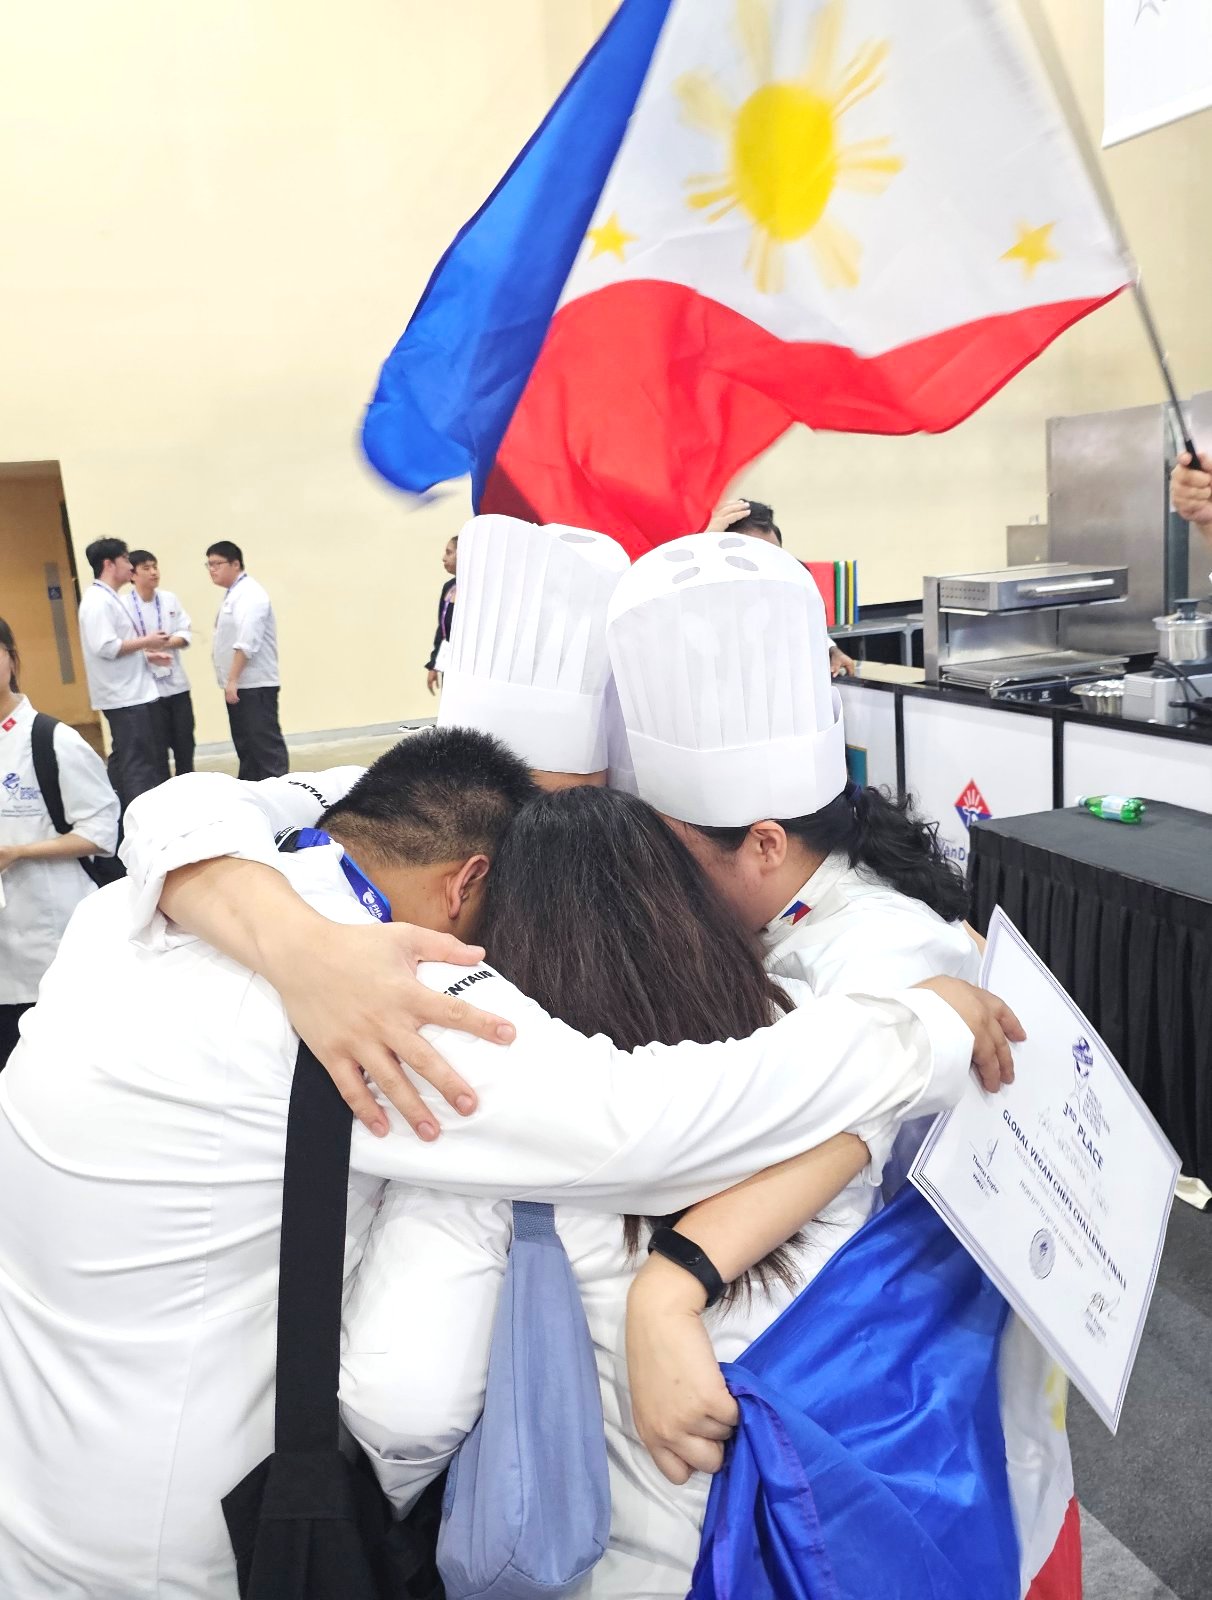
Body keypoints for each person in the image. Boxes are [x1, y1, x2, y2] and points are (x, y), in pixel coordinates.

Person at [0, 728, 1010, 1598]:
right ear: (469, 884)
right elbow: (646, 1120)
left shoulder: (123, 917)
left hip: (35, 1488)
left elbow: (189, 805)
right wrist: (919, 1030)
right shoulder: (403, 1004)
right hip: (211, 1544)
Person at [342, 787, 1016, 1597]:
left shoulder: (490, 1149)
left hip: (636, 1559)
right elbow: (878, 1113)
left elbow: (403, 1408)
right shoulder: (808, 1038)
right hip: (837, 1515)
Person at [606, 533, 1079, 1597]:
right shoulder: (788, 911)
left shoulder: (889, 954)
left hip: (914, 1401)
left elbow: (839, 1144)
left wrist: (666, 1288)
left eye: (678, 850)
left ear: (765, 843)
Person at [0, 617, 120, 1067]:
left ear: (11, 657)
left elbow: (100, 831)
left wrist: (18, 852)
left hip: (49, 931)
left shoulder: (51, 741)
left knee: (56, 1062)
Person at [708, 496, 858, 675]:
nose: (766, 573)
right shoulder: (702, 594)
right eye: (751, 559)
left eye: (773, 557)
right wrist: (703, 547)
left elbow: (794, 623)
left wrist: (828, 649)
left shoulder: (793, 576)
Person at [75, 537, 171, 808]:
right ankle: (140, 819)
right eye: (126, 560)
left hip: (131, 692)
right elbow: (106, 647)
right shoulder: (97, 601)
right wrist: (148, 641)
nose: (131, 566)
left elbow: (116, 646)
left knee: (126, 760)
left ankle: (117, 813)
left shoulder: (108, 598)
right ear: (109, 563)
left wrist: (147, 655)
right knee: (138, 765)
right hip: (124, 697)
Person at [207, 539, 288, 780]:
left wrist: (232, 679)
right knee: (248, 749)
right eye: (208, 564)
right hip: (241, 685)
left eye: (217, 564)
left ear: (235, 564)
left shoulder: (251, 594)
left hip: (254, 685)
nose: (212, 569)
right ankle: (252, 795)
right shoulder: (234, 594)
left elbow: (247, 641)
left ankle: (279, 795)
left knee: (264, 748)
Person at [128, 549, 195, 775]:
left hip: (177, 685)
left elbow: (185, 633)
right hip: (147, 689)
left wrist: (164, 643)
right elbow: (122, 646)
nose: (153, 572)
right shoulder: (123, 605)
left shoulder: (169, 599)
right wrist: (147, 648)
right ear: (132, 575)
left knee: (185, 744)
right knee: (156, 750)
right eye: (146, 568)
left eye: (155, 566)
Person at [425, 532, 458, 695]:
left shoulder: (476, 588)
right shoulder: (449, 587)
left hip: (467, 668)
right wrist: (434, 664)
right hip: (449, 664)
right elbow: (442, 631)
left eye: (449, 552)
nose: (443, 558)